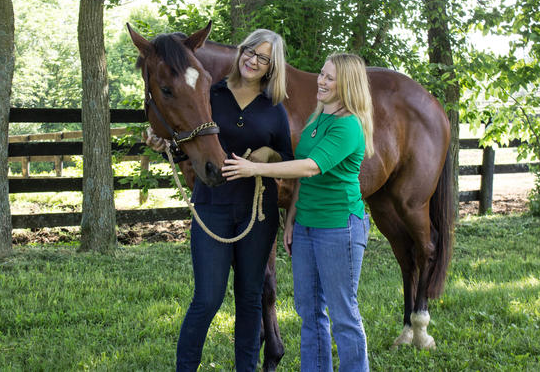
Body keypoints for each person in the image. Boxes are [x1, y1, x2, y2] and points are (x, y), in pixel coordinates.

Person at [144, 29, 293, 372]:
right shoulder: (211, 94)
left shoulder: (274, 109)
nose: (252, 61)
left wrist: (262, 157)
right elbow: (187, 132)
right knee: (207, 299)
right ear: (241, 52)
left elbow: (286, 157)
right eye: (250, 52)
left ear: (272, 66)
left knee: (250, 299)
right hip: (212, 205)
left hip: (257, 210)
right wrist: (164, 142)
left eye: (263, 58)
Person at [222, 53, 375, 372]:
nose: (321, 80)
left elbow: (309, 167)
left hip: (339, 227)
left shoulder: (348, 126)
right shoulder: (317, 120)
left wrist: (254, 168)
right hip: (306, 226)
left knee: (344, 315)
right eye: (322, 74)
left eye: (330, 78)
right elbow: (305, 181)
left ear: (347, 84)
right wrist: (291, 221)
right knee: (309, 311)